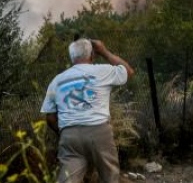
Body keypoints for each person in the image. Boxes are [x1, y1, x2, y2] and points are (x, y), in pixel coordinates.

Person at [41, 38, 135, 183]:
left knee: (68, 180)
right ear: (92, 55)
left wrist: (64, 132)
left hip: (69, 135)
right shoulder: (102, 71)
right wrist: (104, 51)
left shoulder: (57, 80)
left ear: (72, 57)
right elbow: (128, 72)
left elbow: (50, 118)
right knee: (110, 177)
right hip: (99, 132)